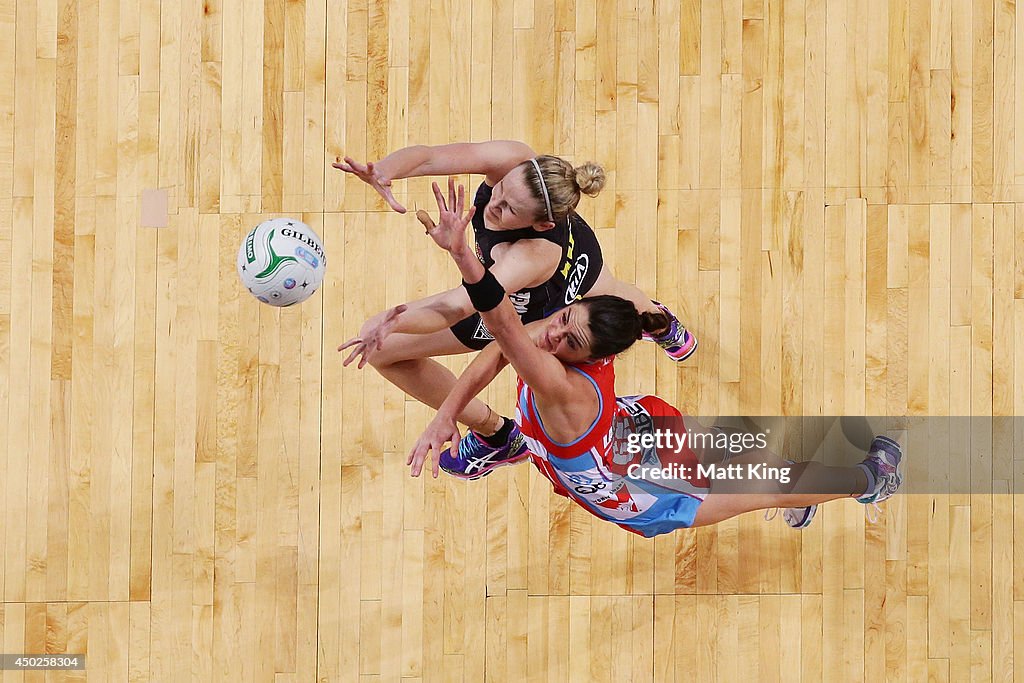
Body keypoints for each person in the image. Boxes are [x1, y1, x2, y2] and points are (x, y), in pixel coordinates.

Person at [406, 179, 904, 536]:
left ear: (591, 358)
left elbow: (500, 323)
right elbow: (499, 348)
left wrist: (460, 252)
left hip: (641, 488)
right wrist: (447, 413)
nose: (551, 334)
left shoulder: (560, 386)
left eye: (566, 339)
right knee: (757, 469)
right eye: (561, 320)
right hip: (625, 435)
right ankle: (806, 487)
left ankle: (871, 481)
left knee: (772, 481)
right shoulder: (574, 335)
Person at [333, 141, 696, 480]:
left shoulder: (525, 256)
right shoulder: (515, 159)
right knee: (612, 292)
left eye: (508, 209)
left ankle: (498, 435)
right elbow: (429, 157)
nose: (494, 205)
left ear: (541, 224)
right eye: (501, 190)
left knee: (386, 348)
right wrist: (384, 169)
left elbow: (458, 306)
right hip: (572, 258)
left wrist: (393, 320)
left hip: (536, 303)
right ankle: (660, 327)